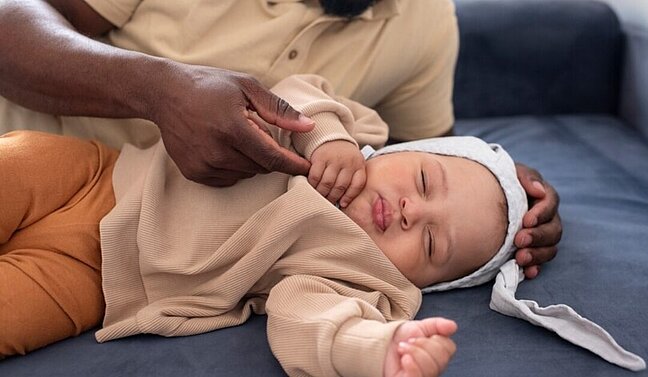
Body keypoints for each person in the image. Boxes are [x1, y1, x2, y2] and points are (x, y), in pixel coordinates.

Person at [1, 75, 528, 377]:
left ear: (423, 285)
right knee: (12, 167)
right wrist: (328, 139)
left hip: (95, 280)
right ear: (400, 150)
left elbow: (306, 320)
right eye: (423, 180)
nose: (414, 210)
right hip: (95, 174)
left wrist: (376, 347)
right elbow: (296, 93)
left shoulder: (357, 277)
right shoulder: (350, 136)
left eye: (433, 243)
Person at [0, 0, 561, 279]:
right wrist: (155, 89)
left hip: (111, 264)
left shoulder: (427, 22)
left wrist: (509, 202)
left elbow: (424, 159)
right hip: (41, 155)